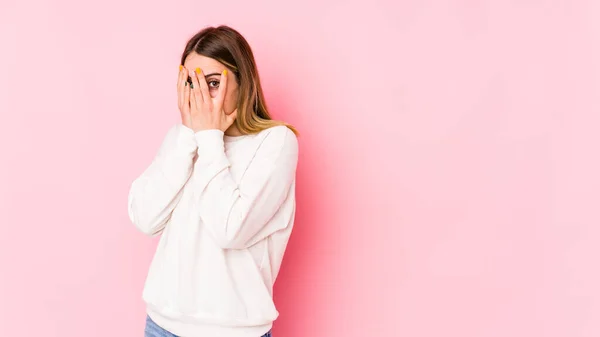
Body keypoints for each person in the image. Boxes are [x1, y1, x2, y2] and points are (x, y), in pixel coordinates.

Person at [127, 25, 299, 337]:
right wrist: (187, 137)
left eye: (214, 83)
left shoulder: (276, 142)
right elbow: (144, 217)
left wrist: (209, 138)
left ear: (243, 82)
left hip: (234, 331)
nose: (202, 97)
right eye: (192, 84)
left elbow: (230, 230)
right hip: (162, 326)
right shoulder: (182, 140)